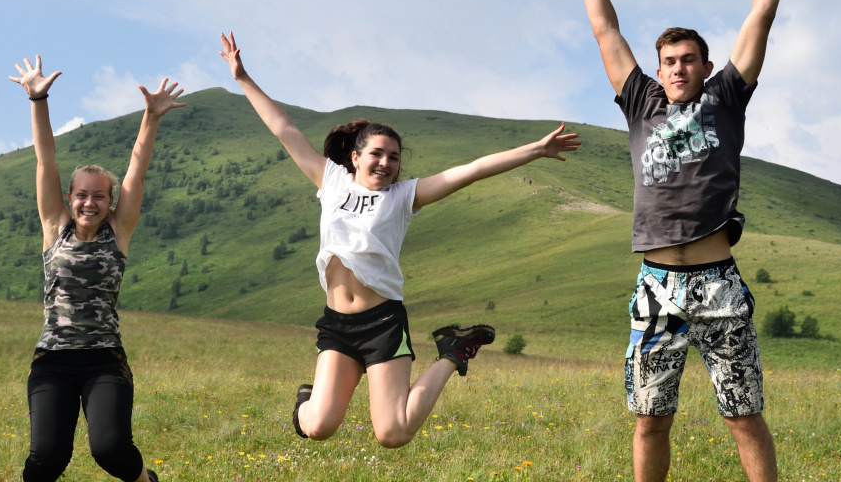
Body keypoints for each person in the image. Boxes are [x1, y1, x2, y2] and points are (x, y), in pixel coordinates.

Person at [574, 0, 803, 482]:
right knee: (650, 418)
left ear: (704, 68)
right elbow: (606, 31)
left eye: (688, 61)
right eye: (668, 60)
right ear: (658, 67)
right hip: (655, 291)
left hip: (718, 285)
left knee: (743, 414)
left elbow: (760, 14)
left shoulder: (727, 98)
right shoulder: (638, 102)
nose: (676, 70)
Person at [219, 32, 581, 448]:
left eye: (393, 157)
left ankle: (453, 351)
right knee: (316, 427)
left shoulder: (403, 197)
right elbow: (283, 128)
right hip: (337, 324)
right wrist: (243, 77)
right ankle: (308, 400)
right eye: (376, 153)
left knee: (393, 433)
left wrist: (535, 150)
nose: (386, 162)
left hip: (382, 324)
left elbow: (473, 170)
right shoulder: (330, 180)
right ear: (355, 156)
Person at [7, 56, 184, 482]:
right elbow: (45, 161)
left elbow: (137, 167)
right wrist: (38, 101)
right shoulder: (54, 228)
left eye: (98, 196)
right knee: (47, 459)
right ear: (70, 199)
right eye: (81, 195)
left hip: (104, 358)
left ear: (111, 202)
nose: (89, 203)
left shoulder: (118, 233)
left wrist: (150, 118)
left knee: (110, 450)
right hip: (53, 360)